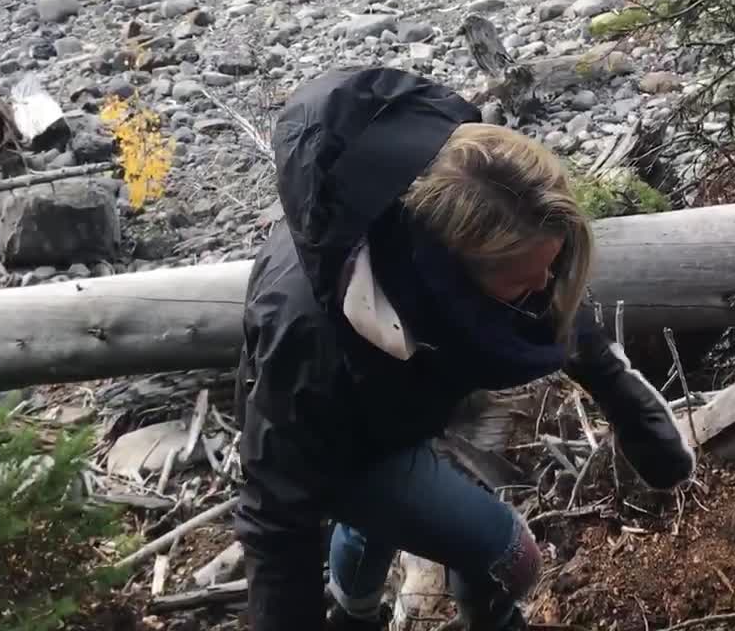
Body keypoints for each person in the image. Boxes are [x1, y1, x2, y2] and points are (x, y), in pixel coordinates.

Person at [232, 67, 696, 631]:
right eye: (524, 281)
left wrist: (630, 407)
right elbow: (276, 522)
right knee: (505, 552)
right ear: (451, 277)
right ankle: (376, 618)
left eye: (550, 268)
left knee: (375, 528)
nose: (545, 287)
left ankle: (357, 612)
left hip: (395, 406)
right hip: (333, 448)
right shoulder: (306, 337)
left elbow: (544, 311)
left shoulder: (455, 241)